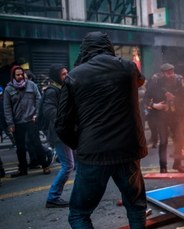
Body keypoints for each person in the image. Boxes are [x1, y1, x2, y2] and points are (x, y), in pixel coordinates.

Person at [55, 31, 148, 228]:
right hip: (128, 151)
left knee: (79, 214)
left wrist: (79, 145)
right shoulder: (128, 68)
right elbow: (140, 81)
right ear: (109, 46)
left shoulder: (74, 76)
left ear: (84, 50)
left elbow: (62, 125)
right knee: (136, 207)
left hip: (94, 152)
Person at [3, 65, 51, 177]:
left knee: (36, 144)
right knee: (20, 147)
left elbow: (39, 100)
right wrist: (10, 123)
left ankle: (45, 166)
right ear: (13, 76)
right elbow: (7, 108)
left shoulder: (32, 85)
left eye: (21, 74)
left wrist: (37, 114)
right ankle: (23, 170)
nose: (20, 76)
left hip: (31, 120)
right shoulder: (8, 89)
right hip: (17, 122)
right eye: (18, 75)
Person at [144, 63, 184, 173]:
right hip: (160, 116)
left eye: (172, 72)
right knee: (163, 141)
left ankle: (177, 164)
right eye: (168, 73)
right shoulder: (155, 82)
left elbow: (183, 98)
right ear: (162, 73)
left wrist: (175, 98)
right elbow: (146, 99)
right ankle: (163, 167)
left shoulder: (178, 81)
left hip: (174, 115)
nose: (171, 75)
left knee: (180, 139)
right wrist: (155, 105)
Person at [44, 64, 74, 208]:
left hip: (66, 132)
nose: (66, 76)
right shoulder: (52, 91)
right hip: (59, 134)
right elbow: (49, 110)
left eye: (67, 73)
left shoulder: (62, 88)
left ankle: (80, 193)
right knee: (68, 165)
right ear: (57, 76)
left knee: (75, 164)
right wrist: (64, 121)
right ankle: (53, 197)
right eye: (63, 74)